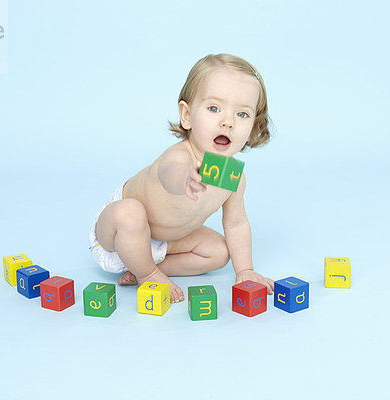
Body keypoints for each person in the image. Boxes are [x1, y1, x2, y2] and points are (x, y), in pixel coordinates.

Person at [89, 53, 274, 303]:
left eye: (242, 114)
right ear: (187, 115)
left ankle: (143, 268)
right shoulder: (179, 157)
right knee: (129, 212)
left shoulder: (233, 178)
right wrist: (185, 178)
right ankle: (148, 274)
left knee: (219, 253)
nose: (228, 122)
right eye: (214, 108)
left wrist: (245, 271)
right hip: (115, 236)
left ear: (253, 126)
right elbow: (170, 174)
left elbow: (236, 224)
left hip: (164, 244)